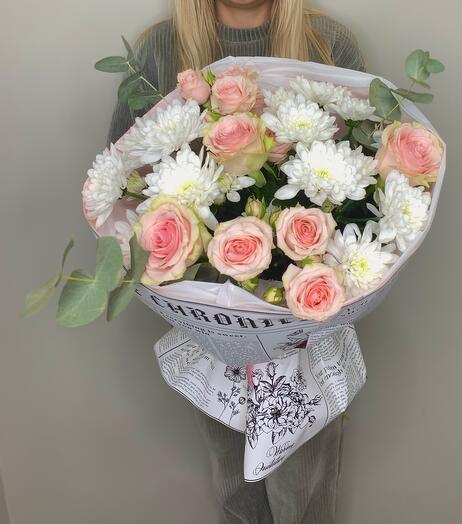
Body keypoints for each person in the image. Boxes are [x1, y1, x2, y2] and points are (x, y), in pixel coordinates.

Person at [107, 1, 365, 522]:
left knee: (305, 493)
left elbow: (364, 173)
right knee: (234, 487)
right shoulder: (159, 53)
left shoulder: (328, 46)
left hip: (309, 326)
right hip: (208, 329)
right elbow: (121, 183)